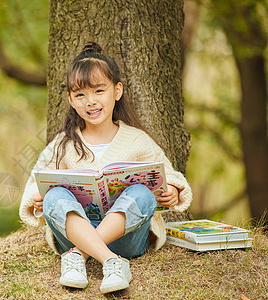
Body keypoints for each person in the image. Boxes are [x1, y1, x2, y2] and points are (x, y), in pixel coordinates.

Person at [19, 42, 192, 294]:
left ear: (117, 91)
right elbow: (36, 183)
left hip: (128, 238)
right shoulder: (63, 144)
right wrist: (37, 200)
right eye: (80, 95)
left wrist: (174, 191)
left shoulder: (137, 140)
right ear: (70, 99)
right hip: (74, 232)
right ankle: (111, 262)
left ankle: (80, 256)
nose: (90, 101)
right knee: (54, 195)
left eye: (99, 90)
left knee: (142, 194)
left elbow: (170, 176)